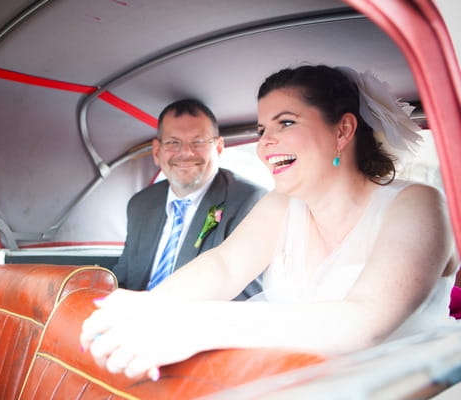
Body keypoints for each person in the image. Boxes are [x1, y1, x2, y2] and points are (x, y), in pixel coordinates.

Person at [80, 65, 459, 381]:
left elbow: (365, 321)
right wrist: (149, 308)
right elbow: (223, 266)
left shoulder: (419, 204)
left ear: (342, 130)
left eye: (286, 123)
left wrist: (196, 325)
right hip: (286, 381)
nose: (265, 144)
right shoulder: (282, 204)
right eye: (262, 130)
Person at [111, 99, 267, 300]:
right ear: (157, 151)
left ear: (218, 148)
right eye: (173, 142)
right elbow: (124, 276)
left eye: (198, 141)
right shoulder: (141, 204)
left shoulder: (249, 201)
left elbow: (247, 295)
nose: (185, 152)